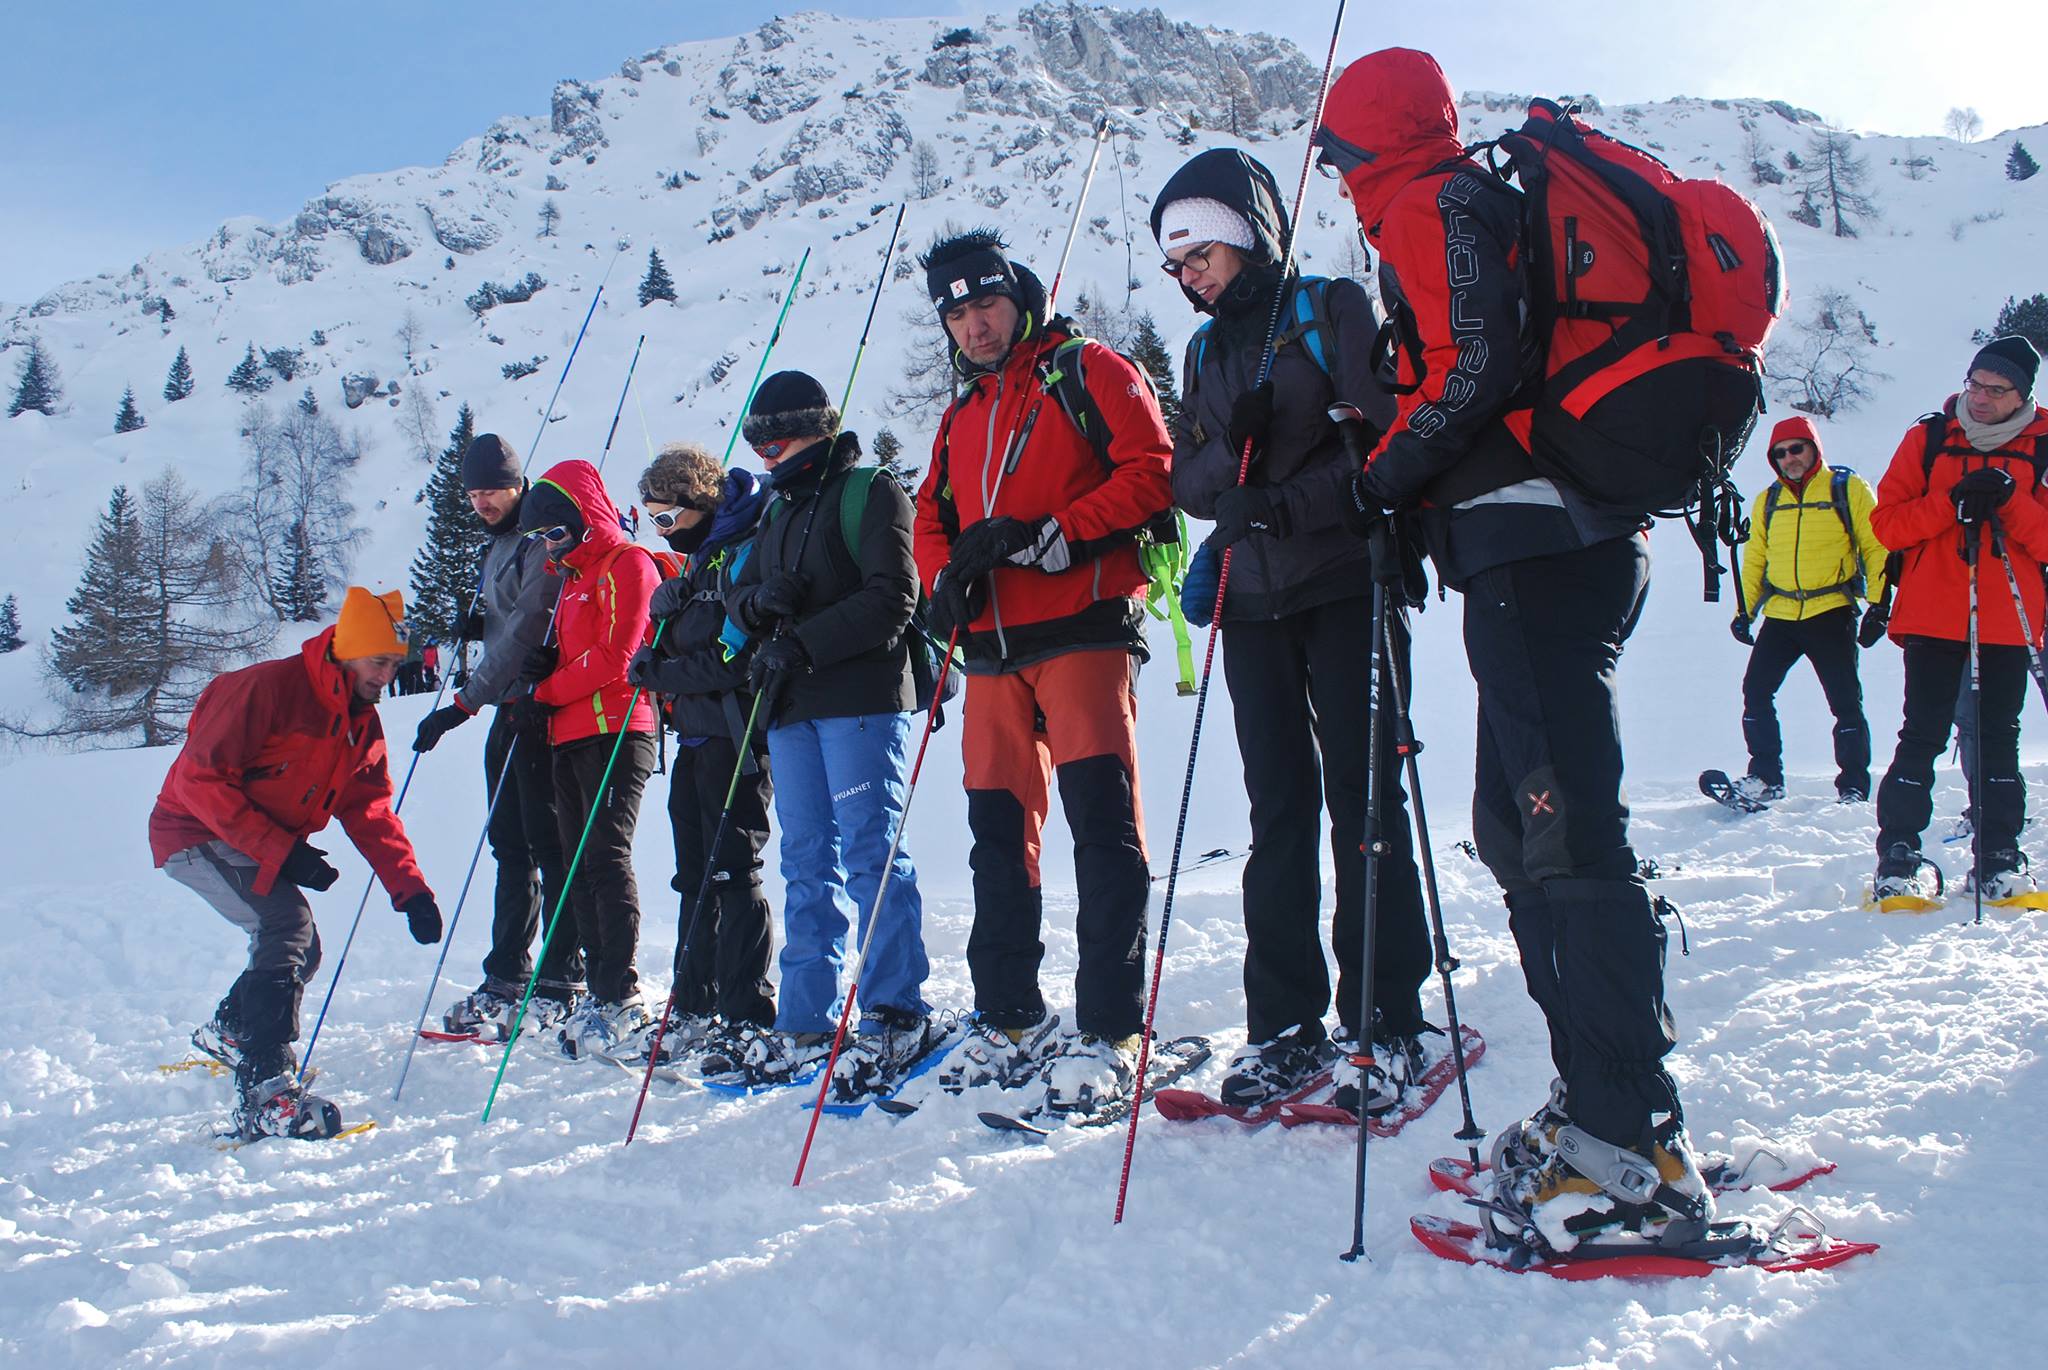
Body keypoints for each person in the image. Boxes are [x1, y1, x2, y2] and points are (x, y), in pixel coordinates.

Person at [1318, 48, 1710, 1249]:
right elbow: (1468, 362)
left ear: (1367, 141)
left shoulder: (1433, 205)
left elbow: (1477, 366)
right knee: (1513, 820)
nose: (1332, 179)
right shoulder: (1444, 206)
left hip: (1540, 545)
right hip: (1534, 546)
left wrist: (1383, 474)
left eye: (1335, 153)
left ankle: (1628, 1137)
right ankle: (1597, 1099)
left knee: (1563, 821)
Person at [1153, 149, 1435, 1118]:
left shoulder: (1329, 309)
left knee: (1365, 801)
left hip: (1345, 580)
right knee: (1277, 813)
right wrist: (1229, 476)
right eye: (1172, 261)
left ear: (1244, 232)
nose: (1184, 272)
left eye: (1195, 250)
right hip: (1252, 602)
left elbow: (1393, 439)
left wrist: (1278, 500)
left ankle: (1387, 1017)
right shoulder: (1200, 353)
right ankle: (1284, 1021)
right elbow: (1185, 479)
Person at [910, 228, 1173, 1113]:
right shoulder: (961, 416)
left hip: (1082, 632)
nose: (974, 326)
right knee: (997, 838)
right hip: (990, 651)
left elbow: (1152, 471)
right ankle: (1009, 1013)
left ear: (1016, 297)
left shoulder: (1087, 370)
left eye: (984, 305)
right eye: (956, 313)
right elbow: (930, 517)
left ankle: (1110, 1027)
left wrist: (1055, 533)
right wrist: (943, 580)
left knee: (1102, 829)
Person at [707, 372, 934, 1095]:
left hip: (860, 695)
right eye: (755, 442)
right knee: (806, 859)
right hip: (791, 705)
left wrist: (804, 640)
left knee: (871, 851)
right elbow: (731, 597)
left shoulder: (871, 491)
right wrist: (758, 603)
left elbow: (894, 596)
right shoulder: (774, 507)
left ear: (816, 427)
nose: (766, 454)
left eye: (776, 439)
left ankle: (896, 1011)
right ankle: (807, 1018)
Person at [152, 588, 441, 1140]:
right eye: (378, 661)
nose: (386, 675)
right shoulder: (267, 690)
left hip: (257, 837)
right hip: (195, 829)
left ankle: (235, 1029)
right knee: (284, 924)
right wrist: (283, 851)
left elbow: (370, 810)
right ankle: (265, 1090)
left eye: (394, 664)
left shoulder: (362, 723)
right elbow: (198, 781)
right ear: (346, 651)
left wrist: (411, 891)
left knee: (301, 948)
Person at [411, 433, 582, 1040]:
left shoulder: (541, 541)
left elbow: (529, 629)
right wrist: (481, 619)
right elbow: (507, 623)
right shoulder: (499, 545)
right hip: (510, 711)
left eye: (493, 491)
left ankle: (563, 975)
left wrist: (461, 704)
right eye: (475, 494)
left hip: (541, 710)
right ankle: (507, 973)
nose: (483, 503)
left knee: (549, 846)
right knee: (509, 845)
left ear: (520, 485)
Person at [1869, 337, 2048, 902]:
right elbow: (1887, 527)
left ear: (2023, 395)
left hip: (2008, 617)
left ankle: (1998, 857)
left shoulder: (2043, 444)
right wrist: (1950, 502)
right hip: (1931, 612)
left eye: (1998, 391)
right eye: (1976, 385)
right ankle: (1897, 856)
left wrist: (2010, 501)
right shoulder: (1926, 438)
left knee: (1998, 739)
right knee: (1921, 734)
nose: (1982, 399)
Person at [626, 443, 778, 1061]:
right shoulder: (701, 561)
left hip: (735, 736)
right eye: (652, 520)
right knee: (694, 872)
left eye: (666, 518)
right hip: (694, 735)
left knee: (732, 869)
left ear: (697, 503)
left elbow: (731, 661)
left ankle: (747, 1011)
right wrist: (670, 614)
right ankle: (695, 1003)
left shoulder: (742, 552)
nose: (663, 531)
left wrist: (659, 672)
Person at [518, 459, 661, 1057]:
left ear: (580, 518)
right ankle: (601, 989)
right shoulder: (571, 580)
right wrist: (544, 677)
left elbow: (618, 656)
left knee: (605, 854)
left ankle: (620, 990)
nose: (550, 543)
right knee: (576, 865)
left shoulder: (627, 563)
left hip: (617, 728)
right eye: (540, 537)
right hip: (570, 733)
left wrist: (544, 690)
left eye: (555, 530)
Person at [1727, 416, 1889, 805]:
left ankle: (1853, 786)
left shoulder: (1847, 488)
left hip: (1831, 610)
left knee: (1845, 702)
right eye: (1780, 453)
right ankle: (1765, 778)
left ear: (1815, 448)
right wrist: (1744, 612)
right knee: (1756, 691)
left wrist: (1880, 606)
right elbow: (1756, 561)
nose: (1789, 459)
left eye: (1796, 448)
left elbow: (1876, 546)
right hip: (1781, 614)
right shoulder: (1769, 500)